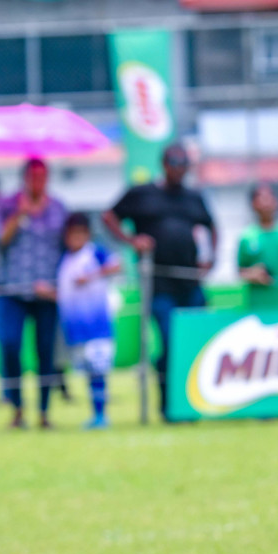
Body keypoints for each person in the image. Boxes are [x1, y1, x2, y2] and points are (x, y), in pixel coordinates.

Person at [104, 144, 216, 418]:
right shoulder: (143, 193)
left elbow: (211, 226)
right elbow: (109, 217)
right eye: (174, 163)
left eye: (183, 164)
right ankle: (169, 405)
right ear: (164, 164)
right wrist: (132, 241)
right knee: (169, 340)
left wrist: (209, 259)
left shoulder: (193, 197)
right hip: (159, 284)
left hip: (190, 282)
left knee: (195, 342)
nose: (178, 168)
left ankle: (193, 402)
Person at [0, 159, 66, 430]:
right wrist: (18, 215)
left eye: (42, 176)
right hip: (12, 289)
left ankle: (44, 412)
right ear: (23, 178)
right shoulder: (4, 205)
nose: (37, 182)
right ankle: (17, 409)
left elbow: (67, 247)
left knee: (46, 351)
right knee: (10, 346)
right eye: (33, 176)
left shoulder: (58, 208)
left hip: (47, 293)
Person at [56, 213, 121, 429]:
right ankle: (95, 413)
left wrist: (92, 276)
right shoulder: (65, 259)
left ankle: (102, 414)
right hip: (76, 328)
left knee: (98, 372)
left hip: (97, 326)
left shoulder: (94, 252)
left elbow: (117, 266)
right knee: (87, 373)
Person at [237, 181, 278, 311]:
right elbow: (240, 271)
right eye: (261, 198)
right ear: (253, 204)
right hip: (260, 305)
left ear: (276, 201)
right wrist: (253, 274)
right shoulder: (247, 236)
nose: (265, 202)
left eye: (269, 197)